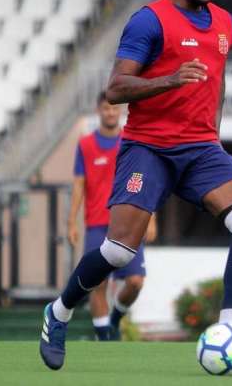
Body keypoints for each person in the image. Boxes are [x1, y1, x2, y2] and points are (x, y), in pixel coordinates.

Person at [40, 0, 232, 371]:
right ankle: (60, 313)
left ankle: (230, 332)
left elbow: (214, 85)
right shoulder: (149, 22)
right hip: (149, 148)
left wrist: (212, 135)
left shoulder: (224, 24)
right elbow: (116, 88)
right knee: (120, 252)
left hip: (201, 149)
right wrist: (170, 79)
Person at [66, 92, 157, 341]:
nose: (110, 113)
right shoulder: (85, 145)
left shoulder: (131, 141)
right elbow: (78, 185)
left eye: (114, 109)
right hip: (96, 224)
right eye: (106, 109)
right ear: (99, 110)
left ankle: (117, 316)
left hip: (129, 222)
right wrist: (71, 222)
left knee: (136, 281)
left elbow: (146, 179)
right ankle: (105, 337)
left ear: (121, 111)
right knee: (98, 284)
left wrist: (152, 217)